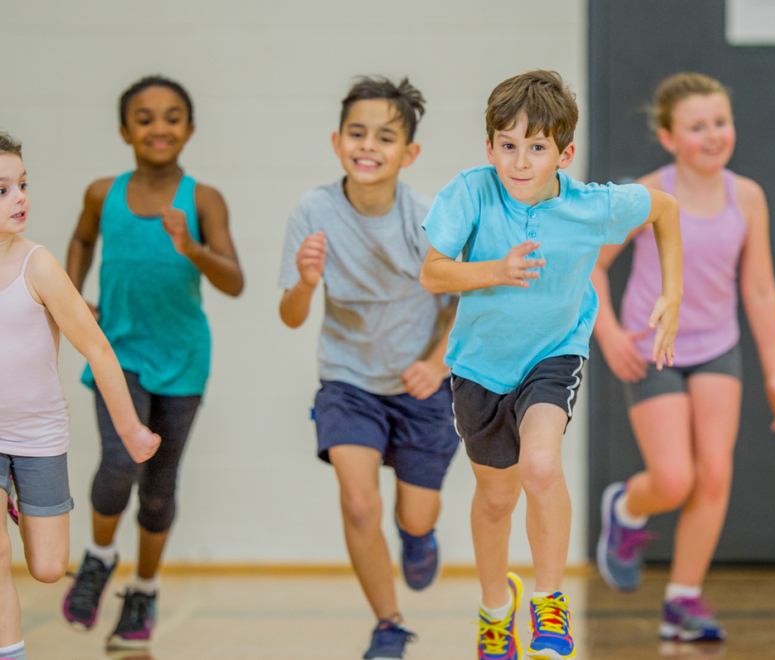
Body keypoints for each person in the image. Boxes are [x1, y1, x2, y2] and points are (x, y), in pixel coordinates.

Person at [420, 70, 683, 660]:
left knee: (540, 466)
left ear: (563, 154)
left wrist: (674, 292)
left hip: (553, 353)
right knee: (496, 499)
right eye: (507, 145)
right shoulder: (470, 192)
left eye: (536, 147)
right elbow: (433, 271)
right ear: (489, 147)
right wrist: (495, 270)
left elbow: (665, 210)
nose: (519, 161)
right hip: (479, 367)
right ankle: (495, 611)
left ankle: (549, 600)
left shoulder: (592, 206)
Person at [592, 72, 775, 643]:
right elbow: (593, 265)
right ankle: (627, 509)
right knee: (675, 478)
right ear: (668, 137)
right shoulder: (647, 195)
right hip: (652, 344)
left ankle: (682, 600)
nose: (713, 135)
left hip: (716, 347)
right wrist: (608, 333)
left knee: (713, 475)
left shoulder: (748, 197)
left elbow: (759, 290)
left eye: (721, 122)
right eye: (697, 127)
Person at [61, 75, 244, 649]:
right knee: (119, 464)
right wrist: (72, 297)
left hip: (184, 360)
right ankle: (98, 559)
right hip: (119, 353)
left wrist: (191, 247)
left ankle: (143, 590)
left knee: (159, 487)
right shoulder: (100, 193)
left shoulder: (204, 199)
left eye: (171, 117)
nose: (158, 127)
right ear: (124, 130)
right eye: (144, 118)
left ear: (189, 128)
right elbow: (82, 241)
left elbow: (234, 281)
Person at [279, 76, 459, 660]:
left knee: (413, 510)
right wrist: (307, 283)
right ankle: (388, 624)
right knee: (359, 503)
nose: (368, 146)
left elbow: (467, 302)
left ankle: (419, 534)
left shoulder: (428, 218)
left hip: (421, 383)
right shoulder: (314, 210)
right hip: (348, 379)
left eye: (385, 137)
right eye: (357, 133)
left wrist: (435, 364)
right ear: (337, 142)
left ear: (409, 154)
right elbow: (289, 315)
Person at [0, 131, 160, 660]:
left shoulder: (38, 266)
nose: (19, 198)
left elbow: (98, 351)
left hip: (38, 432)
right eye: (1, 190)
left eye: (22, 184)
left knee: (47, 568)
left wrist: (130, 428)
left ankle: (25, 507)